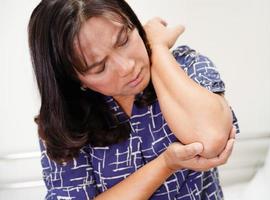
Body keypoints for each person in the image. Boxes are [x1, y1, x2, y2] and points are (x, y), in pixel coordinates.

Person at [28, 0, 239, 199]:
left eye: (124, 40)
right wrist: (166, 164)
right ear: (75, 79)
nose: (126, 67)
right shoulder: (63, 125)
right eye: (99, 67)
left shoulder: (186, 66)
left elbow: (212, 139)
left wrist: (157, 50)